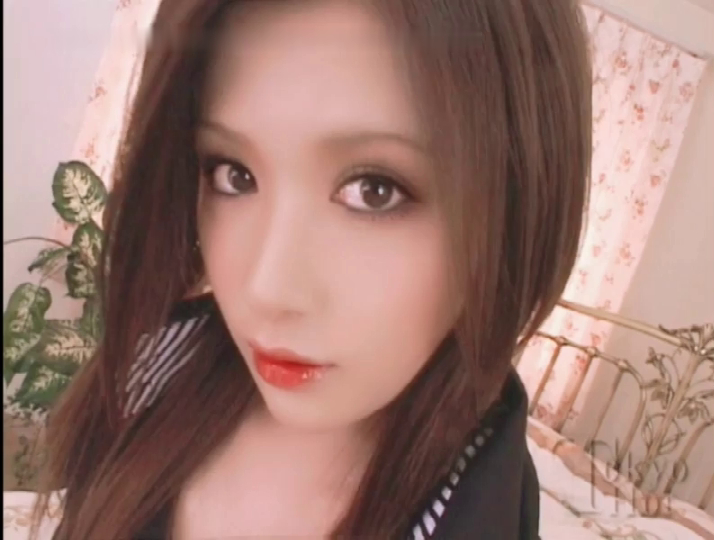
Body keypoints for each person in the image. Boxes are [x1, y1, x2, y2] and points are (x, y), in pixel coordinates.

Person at [33, 0, 592, 538]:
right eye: (233, 174)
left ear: (516, 210)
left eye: (375, 191)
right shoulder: (157, 368)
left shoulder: (481, 508)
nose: (266, 289)